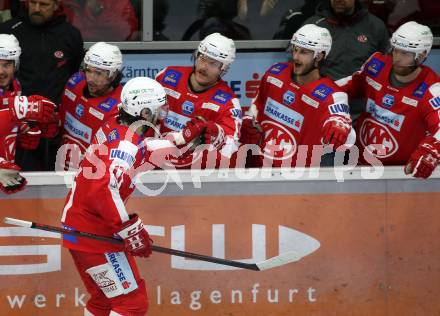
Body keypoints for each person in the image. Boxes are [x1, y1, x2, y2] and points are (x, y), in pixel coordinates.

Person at [61, 77, 176, 315]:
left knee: (103, 300)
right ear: (144, 111)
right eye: (158, 109)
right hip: (94, 234)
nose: (161, 115)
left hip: (77, 228)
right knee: (131, 304)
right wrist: (129, 229)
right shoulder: (126, 144)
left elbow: (143, 148)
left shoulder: (115, 123)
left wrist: (184, 138)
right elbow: (104, 187)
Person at [240, 24, 355, 168]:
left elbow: (345, 130)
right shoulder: (275, 72)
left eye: (304, 52)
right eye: (294, 49)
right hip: (260, 171)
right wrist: (248, 122)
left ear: (320, 56)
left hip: (298, 179)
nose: (296, 57)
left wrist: (340, 127)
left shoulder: (333, 95)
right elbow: (256, 107)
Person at [336, 21, 440, 178]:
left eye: (405, 53)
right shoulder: (376, 65)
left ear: (423, 55)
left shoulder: (432, 90)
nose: (397, 58)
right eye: (396, 50)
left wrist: (430, 151)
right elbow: (346, 86)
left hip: (401, 174)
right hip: (357, 167)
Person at [0, 0, 84, 171]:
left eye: (44, 4)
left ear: (56, 5)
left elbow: (74, 77)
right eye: (33, 3)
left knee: (47, 188)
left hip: (52, 129)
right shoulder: (8, 31)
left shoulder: (70, 35)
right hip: (15, 129)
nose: (36, 9)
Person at [156, 32, 242, 169]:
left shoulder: (229, 103)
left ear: (224, 68)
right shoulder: (167, 77)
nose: (204, 67)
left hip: (192, 173)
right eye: (202, 58)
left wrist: (216, 133)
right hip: (155, 162)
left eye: (213, 63)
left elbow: (231, 147)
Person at [0, 33, 57, 194]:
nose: (1, 71)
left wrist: (23, 130)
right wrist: (18, 110)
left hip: (7, 172)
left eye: (7, 65)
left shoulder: (15, 86)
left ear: (16, 65)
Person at [58, 42, 123, 170]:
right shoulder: (74, 83)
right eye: (88, 71)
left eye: (98, 73)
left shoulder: (119, 109)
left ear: (113, 75)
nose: (90, 79)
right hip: (60, 167)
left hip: (90, 177)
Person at [304, 0, 389, 81]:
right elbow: (299, 63)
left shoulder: (376, 26)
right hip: (322, 92)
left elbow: (386, 65)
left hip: (363, 92)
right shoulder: (313, 25)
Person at [63, 0, 139, 41]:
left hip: (112, 53)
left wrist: (99, 11)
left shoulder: (118, 2)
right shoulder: (62, 4)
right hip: (71, 54)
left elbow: (126, 33)